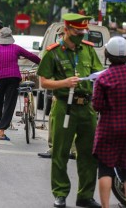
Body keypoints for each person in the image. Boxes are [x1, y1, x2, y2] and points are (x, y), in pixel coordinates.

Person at [37, 13, 103, 208]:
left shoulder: (88, 51)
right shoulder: (53, 52)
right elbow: (44, 82)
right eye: (77, 31)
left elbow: (98, 73)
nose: (81, 34)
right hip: (64, 106)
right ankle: (60, 193)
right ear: (66, 30)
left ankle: (86, 196)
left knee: (89, 155)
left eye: (83, 31)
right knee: (60, 153)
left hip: (87, 108)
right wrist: (64, 83)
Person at [93, 36, 126, 208]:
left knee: (105, 170)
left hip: (109, 130)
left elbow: (97, 105)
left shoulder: (103, 78)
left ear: (108, 55)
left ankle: (105, 206)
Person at [0, 27, 41, 141]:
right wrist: (42, 63)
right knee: (9, 104)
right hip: (13, 78)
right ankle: (1, 131)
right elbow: (31, 56)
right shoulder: (16, 48)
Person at [38, 25, 77, 160]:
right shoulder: (53, 52)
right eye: (61, 36)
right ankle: (54, 148)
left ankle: (70, 150)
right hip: (60, 93)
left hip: (75, 94)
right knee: (55, 120)